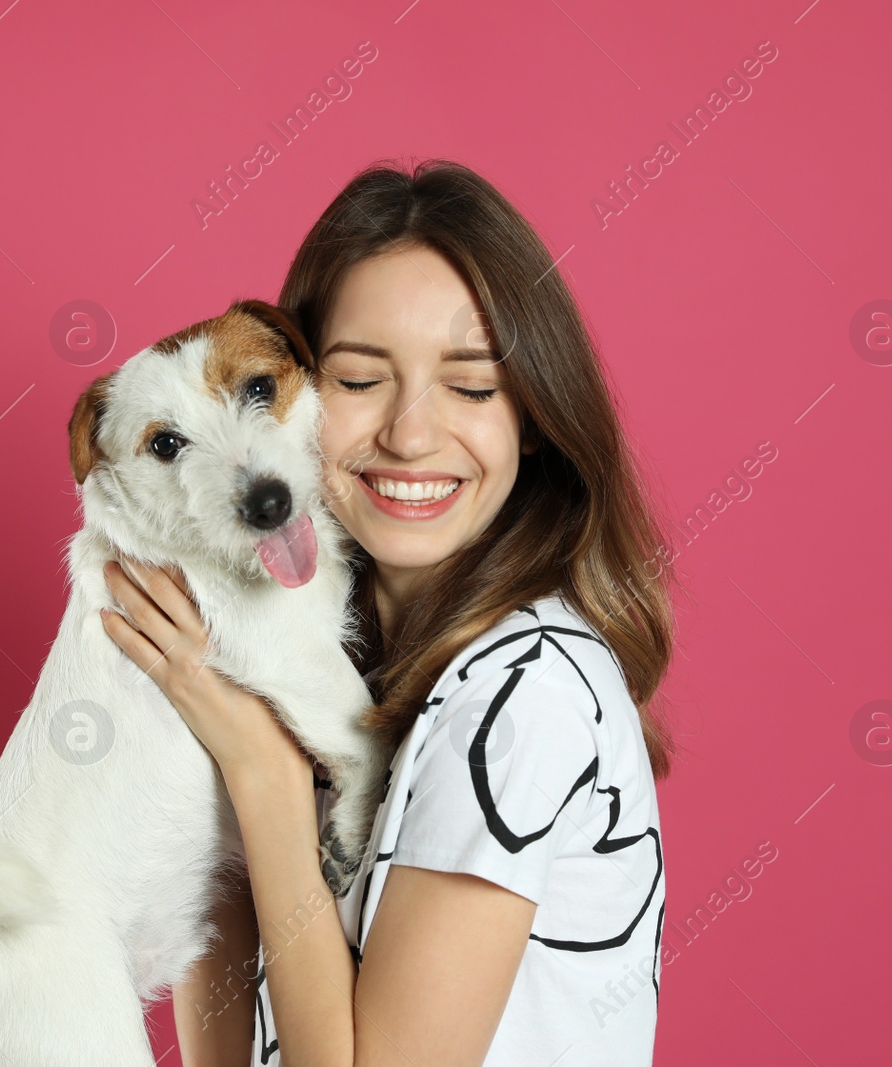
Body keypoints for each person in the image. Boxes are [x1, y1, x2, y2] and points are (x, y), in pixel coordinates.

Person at [100, 158, 677, 1066]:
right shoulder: (336, 673)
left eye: (473, 386)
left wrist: (262, 768)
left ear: (531, 414)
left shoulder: (520, 697)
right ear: (288, 396)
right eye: (361, 381)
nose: (411, 434)